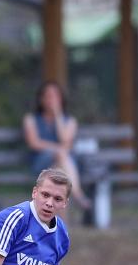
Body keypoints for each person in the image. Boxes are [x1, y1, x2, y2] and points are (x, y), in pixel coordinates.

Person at [23, 81, 90, 209]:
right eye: (48, 96)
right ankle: (78, 194)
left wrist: (58, 115)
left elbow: (65, 140)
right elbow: (34, 143)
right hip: (41, 164)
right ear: (41, 99)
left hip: (65, 166)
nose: (51, 100)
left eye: (55, 96)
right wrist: (58, 149)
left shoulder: (70, 121)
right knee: (61, 156)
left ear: (61, 99)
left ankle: (60, 227)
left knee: (59, 180)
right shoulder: (30, 119)